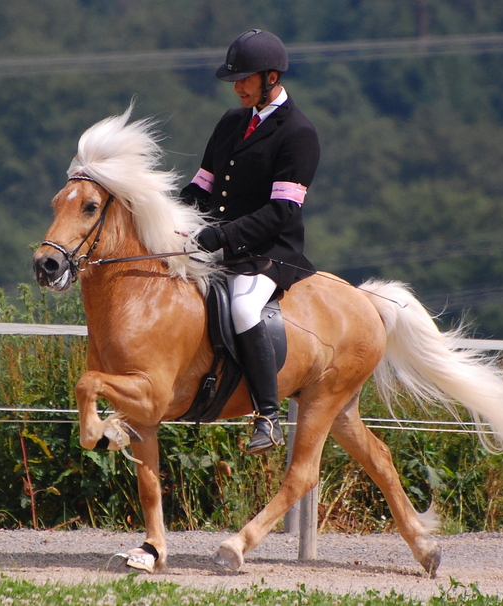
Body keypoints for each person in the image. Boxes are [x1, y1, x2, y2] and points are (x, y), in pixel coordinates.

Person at [181, 29, 320, 455]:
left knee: (243, 306)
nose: (238, 87)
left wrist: (223, 236)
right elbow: (200, 188)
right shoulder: (230, 123)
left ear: (271, 77)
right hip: (216, 244)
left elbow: (283, 211)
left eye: (244, 79)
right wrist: (171, 222)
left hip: (267, 251)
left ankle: (268, 415)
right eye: (235, 80)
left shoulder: (297, 132)